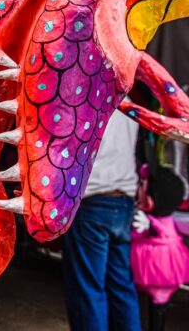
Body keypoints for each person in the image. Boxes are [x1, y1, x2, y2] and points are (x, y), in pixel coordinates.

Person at [61, 108, 141, 331]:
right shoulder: (129, 105)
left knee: (87, 287)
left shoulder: (87, 102)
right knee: (121, 285)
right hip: (123, 201)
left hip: (92, 203)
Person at [131, 164, 189, 331]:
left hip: (160, 264)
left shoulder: (161, 220)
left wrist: (150, 226)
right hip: (150, 259)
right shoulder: (144, 214)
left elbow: (165, 234)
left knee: (158, 299)